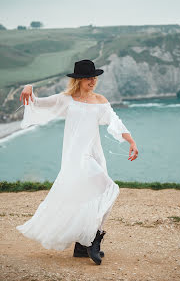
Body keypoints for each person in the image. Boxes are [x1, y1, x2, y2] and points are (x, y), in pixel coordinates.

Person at [16, 59, 138, 265]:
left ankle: (83, 245)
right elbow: (37, 102)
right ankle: (93, 239)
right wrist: (28, 88)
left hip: (95, 155)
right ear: (78, 80)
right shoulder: (66, 100)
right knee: (109, 188)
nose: (92, 81)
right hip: (76, 157)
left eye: (94, 77)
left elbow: (116, 121)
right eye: (88, 77)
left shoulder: (100, 100)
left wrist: (132, 142)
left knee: (95, 197)